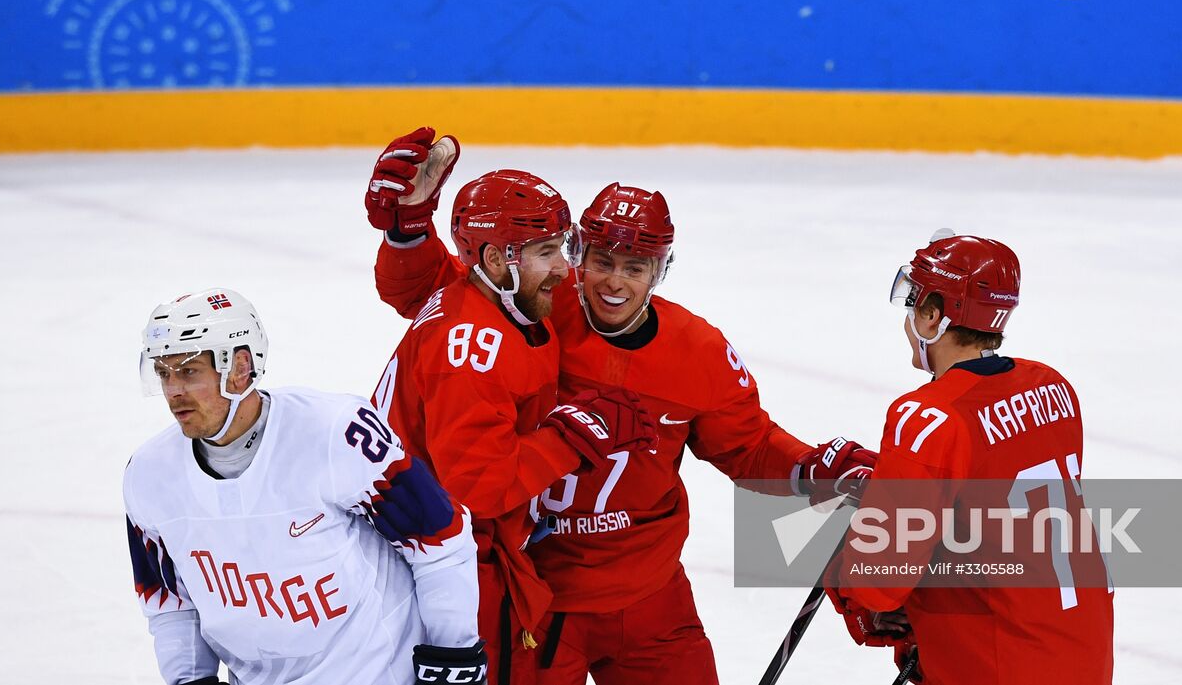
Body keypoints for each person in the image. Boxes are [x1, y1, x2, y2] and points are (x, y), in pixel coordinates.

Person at [364, 128, 877, 685]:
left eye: (634, 268)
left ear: (659, 271)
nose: (613, 282)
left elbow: (748, 446)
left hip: (647, 591)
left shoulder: (698, 351)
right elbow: (439, 294)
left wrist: (812, 469)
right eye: (602, 260)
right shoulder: (536, 303)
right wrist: (408, 232)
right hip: (539, 591)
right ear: (580, 253)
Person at [365, 136, 661, 685]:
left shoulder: (485, 293)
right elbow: (479, 485)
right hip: (444, 571)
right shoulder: (473, 350)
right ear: (498, 259)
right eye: (547, 253)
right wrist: (571, 437)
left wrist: (406, 231)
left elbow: (419, 285)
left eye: (562, 249)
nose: (564, 270)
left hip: (442, 551)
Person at [124, 288, 486, 685]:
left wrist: (453, 655)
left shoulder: (335, 432)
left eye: (188, 371)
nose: (173, 391)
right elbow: (170, 603)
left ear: (240, 367)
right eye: (163, 373)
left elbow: (439, 539)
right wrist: (191, 679)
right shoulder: (149, 475)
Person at [825, 232, 1115, 684]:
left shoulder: (927, 416)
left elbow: (877, 583)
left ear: (934, 316)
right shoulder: (1053, 387)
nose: (909, 317)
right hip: (1082, 657)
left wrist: (844, 557)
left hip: (1003, 668)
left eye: (915, 303)